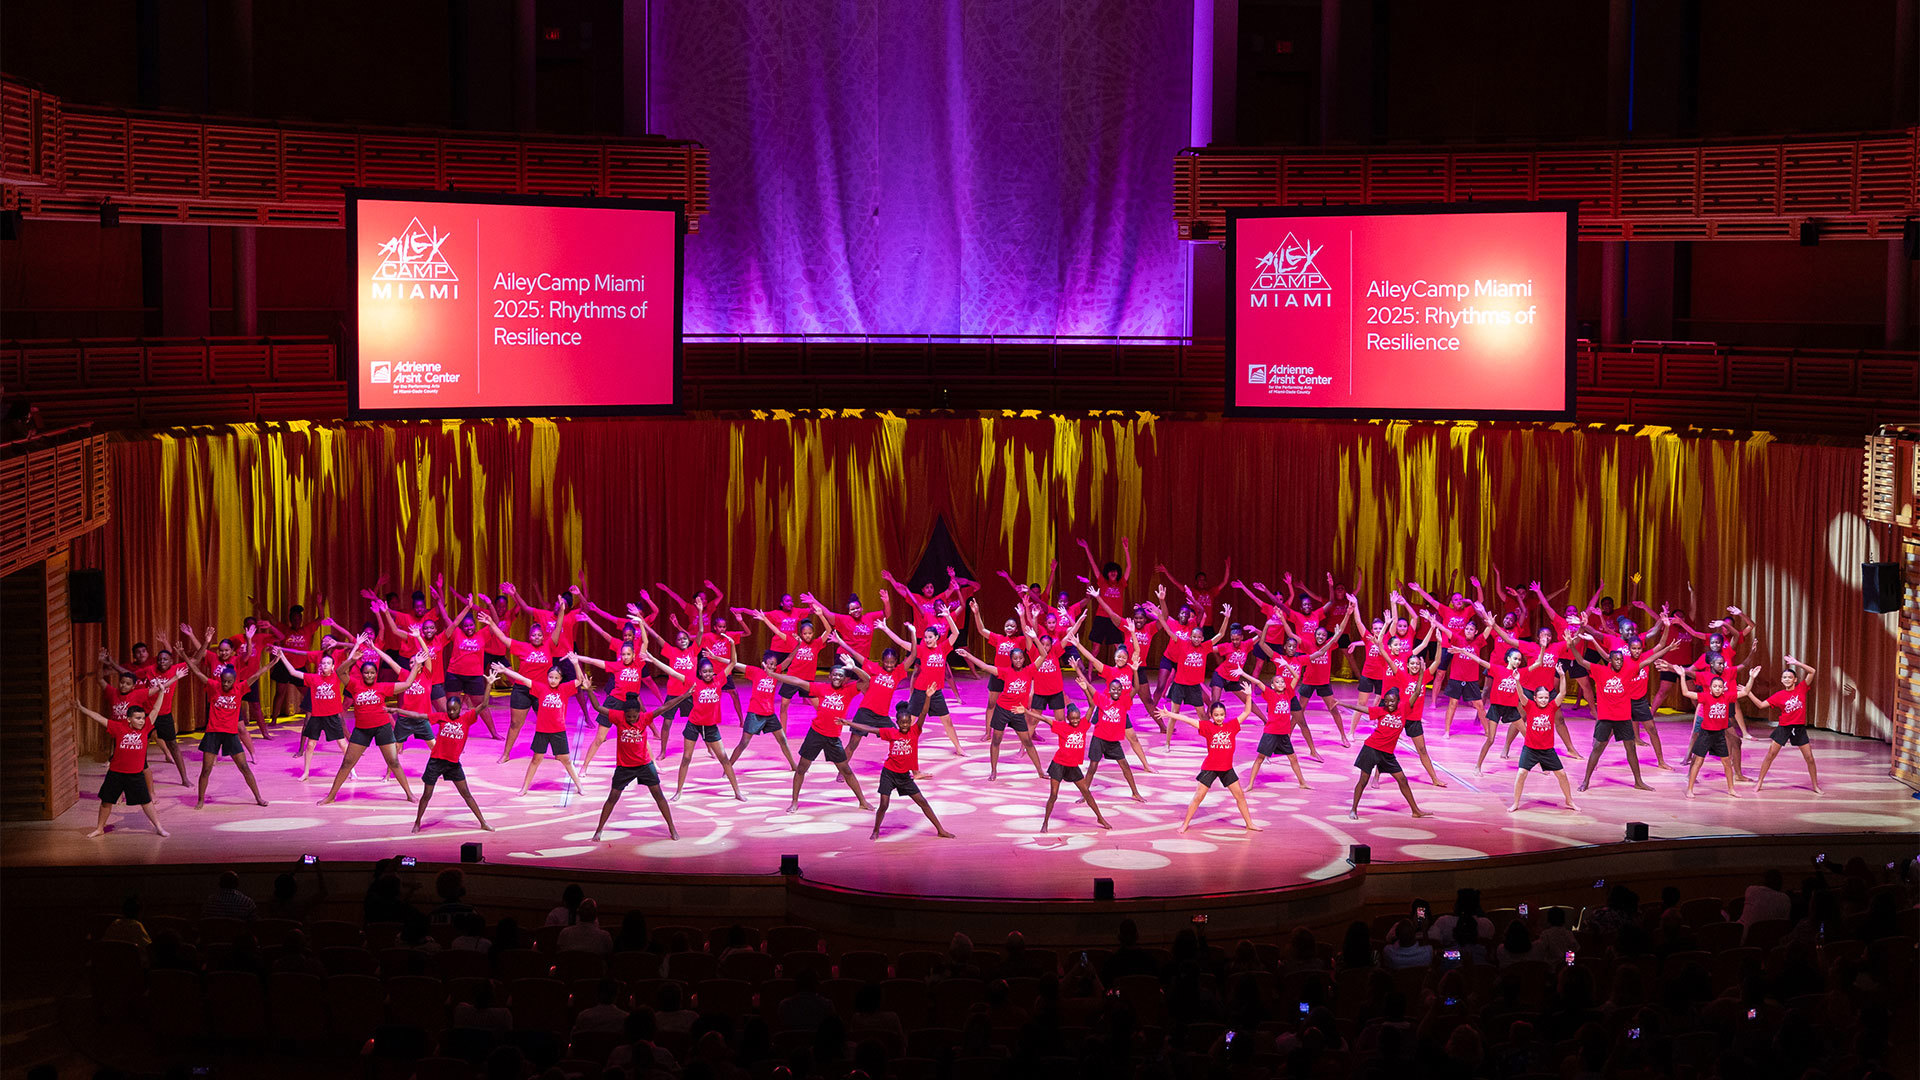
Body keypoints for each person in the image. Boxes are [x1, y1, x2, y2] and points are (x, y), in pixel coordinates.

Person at [317, 656, 426, 806]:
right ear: (362, 674)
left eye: (372, 673)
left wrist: (417, 665)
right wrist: (352, 659)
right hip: (362, 730)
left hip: (382, 728)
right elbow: (340, 672)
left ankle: (409, 794)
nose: (369, 675)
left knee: (393, 762)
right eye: (366, 673)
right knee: (347, 762)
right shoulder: (354, 685)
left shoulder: (382, 687)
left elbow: (407, 684)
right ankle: (331, 796)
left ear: (376, 674)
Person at [176, 650, 271, 808]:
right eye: (224, 681)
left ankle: (258, 798)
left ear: (234, 681)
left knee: (244, 767)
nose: (226, 684)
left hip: (231, 735)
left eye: (229, 682)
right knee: (206, 769)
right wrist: (183, 655)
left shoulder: (240, 688)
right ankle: (200, 800)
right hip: (213, 733)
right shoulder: (214, 686)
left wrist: (273, 662)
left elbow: (257, 674)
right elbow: (197, 671)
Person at [586, 686, 683, 842]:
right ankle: (599, 830)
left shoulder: (645, 718)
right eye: (628, 716)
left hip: (644, 765)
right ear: (624, 713)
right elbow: (598, 707)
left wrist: (685, 695)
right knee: (612, 798)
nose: (631, 719)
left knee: (659, 796)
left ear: (639, 713)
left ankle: (672, 827)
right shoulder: (618, 717)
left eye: (634, 716)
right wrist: (589, 690)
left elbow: (666, 706)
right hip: (624, 767)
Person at [847, 701, 954, 840]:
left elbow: (923, 713)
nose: (905, 725)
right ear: (897, 723)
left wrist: (927, 697)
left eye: (907, 722)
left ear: (910, 722)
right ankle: (876, 830)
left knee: (922, 802)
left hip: (904, 777)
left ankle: (940, 830)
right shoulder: (891, 732)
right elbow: (870, 728)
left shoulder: (915, 731)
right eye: (902, 723)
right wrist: (848, 723)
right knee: (884, 805)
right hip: (889, 774)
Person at [781, 662, 874, 811]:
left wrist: (854, 668)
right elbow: (797, 681)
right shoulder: (821, 688)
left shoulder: (849, 690)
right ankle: (794, 802)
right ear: (830, 676)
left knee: (846, 771)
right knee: (801, 768)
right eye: (835, 674)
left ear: (844, 679)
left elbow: (868, 680)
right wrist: (772, 675)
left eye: (841, 675)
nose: (837, 677)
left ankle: (862, 801)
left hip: (833, 739)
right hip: (816, 734)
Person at [490, 660, 589, 796]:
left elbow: (579, 680)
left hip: (558, 732)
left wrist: (576, 663)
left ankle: (580, 787)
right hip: (542, 732)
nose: (553, 680)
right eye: (550, 677)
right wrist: (506, 671)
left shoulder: (564, 689)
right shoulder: (541, 688)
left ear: (561, 679)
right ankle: (524, 788)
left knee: (566, 760)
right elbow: (523, 679)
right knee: (536, 760)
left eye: (556, 678)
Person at [951, 640, 1046, 781]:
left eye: (1020, 658)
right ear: (1011, 660)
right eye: (1015, 658)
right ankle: (993, 771)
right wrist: (968, 655)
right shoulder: (1005, 671)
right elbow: (985, 666)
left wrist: (1034, 638)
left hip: (1018, 711)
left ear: (1023, 659)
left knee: (1028, 742)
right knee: (996, 740)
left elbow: (1043, 655)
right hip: (1002, 710)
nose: (1018, 661)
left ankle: (1040, 772)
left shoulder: (1029, 670)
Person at [76, 701, 169, 837]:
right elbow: (98, 718)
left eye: (143, 718)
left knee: (146, 802)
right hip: (116, 773)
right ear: (129, 719)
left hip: (136, 775)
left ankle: (159, 827)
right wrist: (82, 708)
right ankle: (100, 828)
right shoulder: (118, 727)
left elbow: (155, 709)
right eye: (138, 718)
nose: (142, 721)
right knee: (106, 801)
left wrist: (161, 692)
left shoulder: (146, 727)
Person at [1665, 665, 1757, 799]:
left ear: (1723, 688)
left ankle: (1731, 789)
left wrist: (1751, 678)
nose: (1717, 689)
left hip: (1719, 735)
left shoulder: (1727, 697)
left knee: (1726, 762)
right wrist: (1683, 676)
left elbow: (1745, 692)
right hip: (1706, 734)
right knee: (1698, 761)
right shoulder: (1705, 697)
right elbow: (1686, 693)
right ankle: (1690, 789)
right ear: (1710, 688)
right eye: (1715, 686)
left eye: (1720, 687)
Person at [1170, 701, 1259, 834]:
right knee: (1198, 797)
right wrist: (1170, 714)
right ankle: (1185, 824)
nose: (1219, 717)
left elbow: (1246, 712)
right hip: (1210, 768)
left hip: (1227, 768)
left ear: (1225, 715)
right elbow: (1188, 720)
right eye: (1216, 715)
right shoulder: (1208, 727)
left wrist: (1249, 695)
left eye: (1221, 715)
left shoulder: (1232, 726)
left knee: (1240, 796)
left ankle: (1249, 824)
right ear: (1211, 715)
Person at [409, 696, 495, 833]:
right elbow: (419, 716)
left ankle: (483, 822)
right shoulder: (442, 717)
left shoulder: (466, 719)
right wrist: (397, 710)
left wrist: (489, 685)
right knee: (427, 794)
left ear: (460, 708)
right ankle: (417, 822)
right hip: (436, 761)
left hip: (453, 764)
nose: (451, 712)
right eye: (449, 710)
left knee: (466, 794)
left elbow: (484, 704)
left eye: (454, 709)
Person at [1348, 686, 1432, 820]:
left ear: (1398, 701)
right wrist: (1340, 703)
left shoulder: (1404, 709)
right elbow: (1362, 709)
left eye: (1392, 701)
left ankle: (1416, 811)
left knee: (1402, 780)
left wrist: (1421, 674)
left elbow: (1417, 692)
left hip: (1387, 754)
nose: (1389, 704)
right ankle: (1353, 809)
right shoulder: (1381, 710)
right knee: (1363, 780)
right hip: (1371, 749)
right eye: (1386, 701)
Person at [1743, 655, 1823, 794]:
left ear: (1795, 679)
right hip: (1784, 727)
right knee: (1770, 755)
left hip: (1798, 728)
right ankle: (1759, 782)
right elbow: (1761, 705)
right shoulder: (1779, 695)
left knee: (1809, 758)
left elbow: (1812, 671)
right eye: (1784, 677)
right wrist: (1747, 692)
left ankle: (1815, 786)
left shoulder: (1802, 688)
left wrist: (1797, 663)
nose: (1787, 679)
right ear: (1781, 680)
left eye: (1789, 677)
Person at [1510, 673, 1581, 812]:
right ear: (1535, 698)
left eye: (1546, 698)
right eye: (1541, 698)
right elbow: (1521, 695)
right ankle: (1516, 803)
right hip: (1530, 749)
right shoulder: (1529, 706)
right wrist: (1517, 681)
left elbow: (1562, 693)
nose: (1543, 700)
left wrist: (1562, 676)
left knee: (1562, 775)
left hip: (1548, 750)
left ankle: (1569, 801)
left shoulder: (1552, 707)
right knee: (1521, 773)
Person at [1036, 702, 1111, 833]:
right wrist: (1025, 711)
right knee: (1053, 795)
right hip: (1058, 764)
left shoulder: (1083, 725)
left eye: (1077, 718)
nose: (1075, 721)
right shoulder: (1062, 727)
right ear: (1068, 718)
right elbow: (1044, 719)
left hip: (1072, 766)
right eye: (1072, 719)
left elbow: (1092, 706)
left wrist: (1086, 690)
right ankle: (1045, 822)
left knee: (1086, 792)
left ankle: (1100, 818)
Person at [1075, 673, 1146, 801]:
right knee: (1092, 767)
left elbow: (1136, 688)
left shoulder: (1124, 701)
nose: (1116, 692)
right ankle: (1084, 794)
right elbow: (1089, 686)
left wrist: (1135, 671)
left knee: (1125, 766)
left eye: (1119, 689)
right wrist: (1079, 673)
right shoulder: (1102, 699)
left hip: (1113, 742)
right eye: (1113, 689)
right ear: (1109, 690)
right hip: (1099, 739)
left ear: (1122, 691)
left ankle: (1135, 793)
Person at [723, 649, 798, 769]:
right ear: (764, 663)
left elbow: (789, 659)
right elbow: (734, 664)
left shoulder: (776, 672)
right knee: (743, 743)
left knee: (782, 740)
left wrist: (798, 645)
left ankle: (794, 765)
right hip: (755, 714)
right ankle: (728, 768)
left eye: (774, 664)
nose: (772, 666)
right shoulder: (755, 672)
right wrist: (716, 658)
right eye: (770, 664)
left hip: (770, 715)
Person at [1239, 667, 1311, 790]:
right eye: (1277, 682)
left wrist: (1287, 665)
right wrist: (1243, 673)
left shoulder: (1288, 693)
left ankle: (1302, 783)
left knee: (1293, 758)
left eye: (1282, 681)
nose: (1281, 683)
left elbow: (1296, 676)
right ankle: (1250, 784)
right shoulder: (1270, 694)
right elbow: (1258, 682)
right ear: (1272, 686)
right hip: (1271, 733)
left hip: (1283, 734)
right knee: (1260, 758)